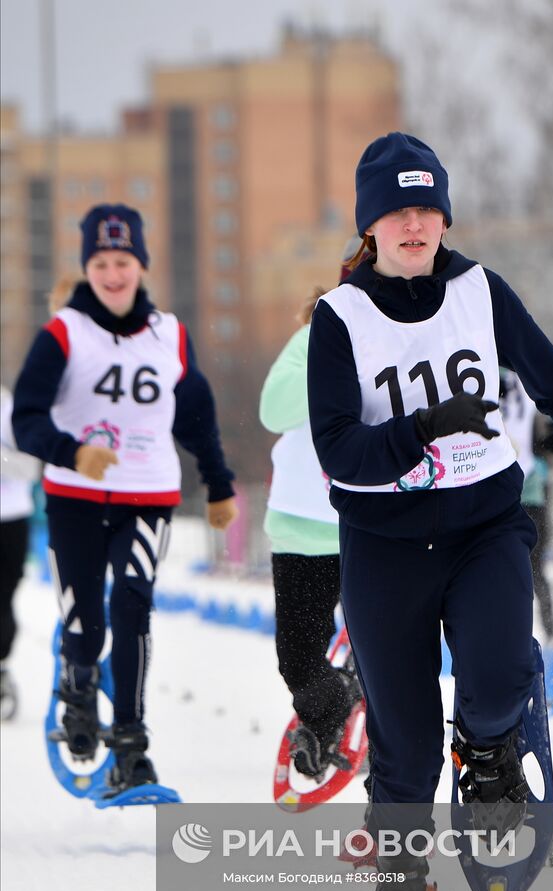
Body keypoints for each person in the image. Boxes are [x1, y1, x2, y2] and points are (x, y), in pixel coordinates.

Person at [307, 132, 553, 891]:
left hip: (483, 528)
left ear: (445, 217)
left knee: (499, 672)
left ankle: (492, 748)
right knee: (403, 742)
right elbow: (338, 451)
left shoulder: (482, 292)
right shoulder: (340, 319)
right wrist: (421, 430)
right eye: (398, 210)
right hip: (384, 545)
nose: (416, 223)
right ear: (372, 225)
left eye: (428, 208)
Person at [12, 203, 238, 792]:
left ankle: (132, 741)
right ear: (87, 267)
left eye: (124, 261)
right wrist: (71, 452)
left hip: (147, 496)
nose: (114, 274)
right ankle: (79, 686)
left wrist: (218, 483)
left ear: (141, 266)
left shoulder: (170, 336)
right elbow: (26, 418)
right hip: (75, 500)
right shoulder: (64, 332)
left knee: (133, 606)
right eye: (102, 262)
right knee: (84, 622)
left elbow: (196, 417)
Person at [259, 239, 364, 779]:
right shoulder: (310, 339)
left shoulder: (412, 342)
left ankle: (387, 748)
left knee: (387, 654)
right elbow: (273, 410)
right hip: (303, 524)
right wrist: (330, 355)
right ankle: (327, 709)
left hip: (374, 525)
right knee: (298, 662)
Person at [499, 369, 553, 643]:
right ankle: (515, 634)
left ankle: (548, 632)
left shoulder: (524, 378)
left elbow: (548, 437)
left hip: (528, 492)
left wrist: (545, 457)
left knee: (532, 569)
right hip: (499, 495)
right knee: (510, 571)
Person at [1, 384, 41, 720]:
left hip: (9, 519)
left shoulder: (11, 410)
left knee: (3, 597)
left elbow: (30, 468)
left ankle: (0, 666)